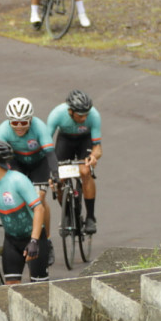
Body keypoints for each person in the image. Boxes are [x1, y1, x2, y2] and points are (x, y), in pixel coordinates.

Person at [0, 96, 53, 281]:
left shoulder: (39, 127)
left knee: (38, 199)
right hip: (17, 162)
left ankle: (45, 238)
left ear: (30, 120)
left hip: (39, 164)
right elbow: (1, 159)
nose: (19, 126)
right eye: (15, 122)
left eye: (23, 122)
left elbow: (50, 154)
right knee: (19, 198)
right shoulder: (2, 131)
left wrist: (56, 174)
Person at [0, 140, 45, 285]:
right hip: (12, 241)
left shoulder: (18, 180)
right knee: (11, 288)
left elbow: (39, 209)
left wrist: (34, 241)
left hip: (33, 238)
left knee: (40, 288)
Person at [47, 89, 102, 233]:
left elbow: (97, 148)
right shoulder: (57, 114)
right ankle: (67, 215)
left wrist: (93, 157)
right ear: (70, 111)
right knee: (59, 178)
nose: (84, 118)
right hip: (65, 140)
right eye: (80, 115)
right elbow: (46, 143)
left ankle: (90, 217)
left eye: (86, 114)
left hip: (85, 140)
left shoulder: (94, 115)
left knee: (85, 171)